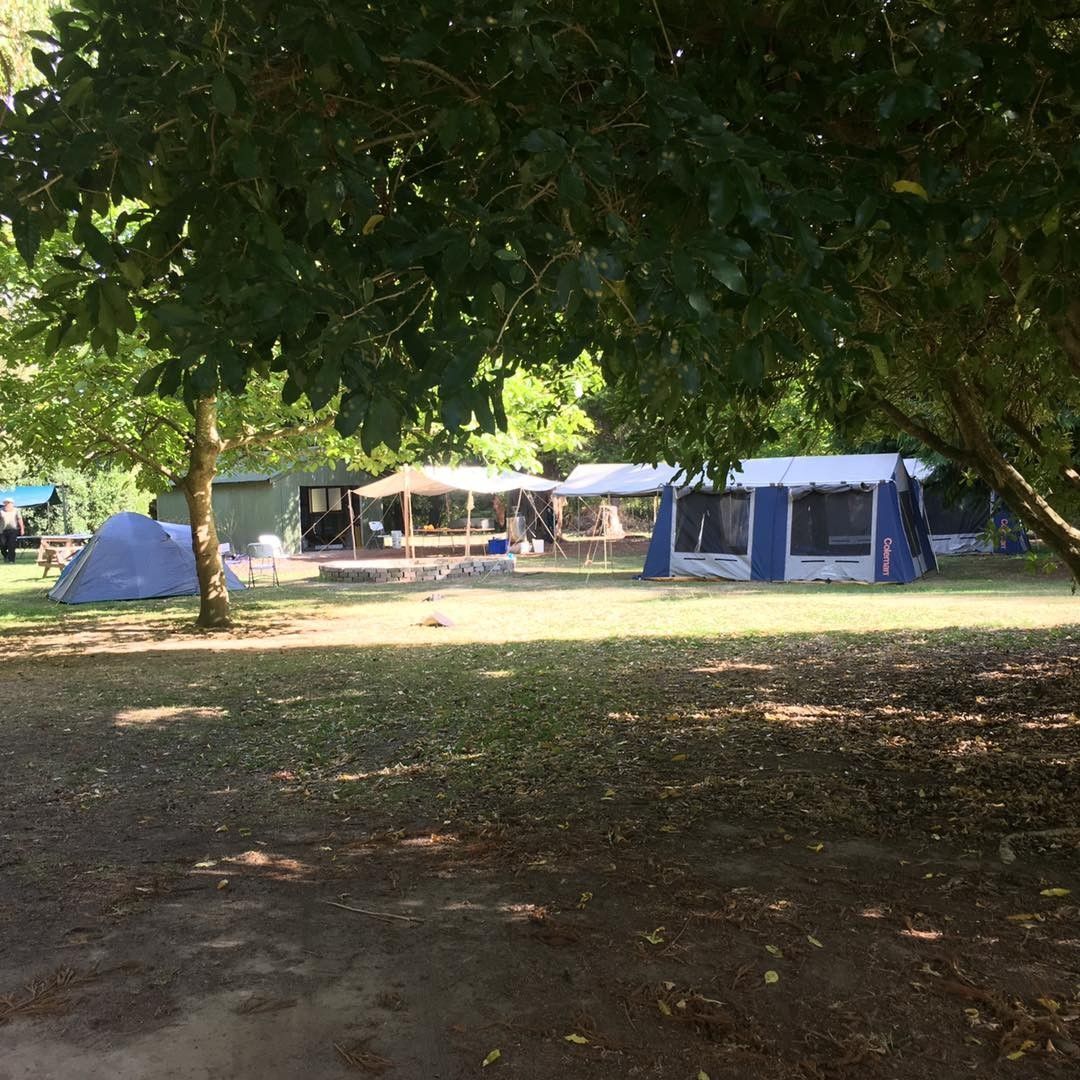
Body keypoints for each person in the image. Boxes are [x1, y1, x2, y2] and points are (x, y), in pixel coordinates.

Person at [1, 498, 25, 564]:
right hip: (2, 531)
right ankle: (6, 556)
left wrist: (22, 528)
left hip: (13, 530)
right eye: (5, 503)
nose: (6, 504)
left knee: (11, 545)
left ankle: (11, 560)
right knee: (2, 545)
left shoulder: (16, 510)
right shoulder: (1, 510)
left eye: (8, 503)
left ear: (12, 504)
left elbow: (20, 519)